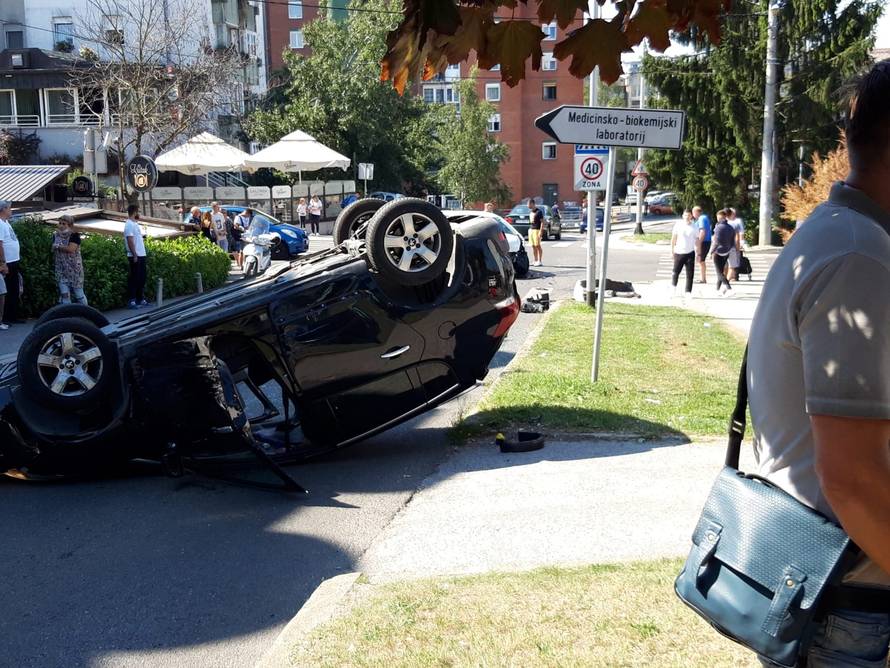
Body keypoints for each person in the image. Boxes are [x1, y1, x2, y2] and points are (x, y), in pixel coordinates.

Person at [747, 60, 890, 668]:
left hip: (827, 586)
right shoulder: (859, 259)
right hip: (849, 603)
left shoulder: (835, 236)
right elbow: (852, 478)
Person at [52, 215, 87, 305]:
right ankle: (68, 315)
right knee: (65, 295)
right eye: (60, 223)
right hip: (61, 269)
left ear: (70, 225)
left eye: (64, 224)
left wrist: (58, 246)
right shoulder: (55, 235)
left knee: (79, 295)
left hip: (74, 270)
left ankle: (86, 313)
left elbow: (71, 249)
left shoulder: (74, 236)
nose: (61, 226)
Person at [0, 200, 22, 326]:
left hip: (13, 260)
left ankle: (13, 315)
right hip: (7, 262)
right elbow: (0, 244)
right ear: (3, 209)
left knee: (14, 289)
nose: (11, 210)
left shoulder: (6, 222)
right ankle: (7, 316)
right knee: (7, 290)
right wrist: (3, 263)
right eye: (9, 208)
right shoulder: (0, 224)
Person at [124, 203, 148, 309]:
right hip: (136, 255)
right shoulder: (129, 224)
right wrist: (134, 254)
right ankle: (132, 300)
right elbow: (130, 240)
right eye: (138, 211)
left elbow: (135, 239)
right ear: (134, 212)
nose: (139, 214)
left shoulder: (135, 224)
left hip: (141, 254)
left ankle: (140, 299)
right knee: (134, 277)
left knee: (141, 277)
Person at [670, 209, 697, 298]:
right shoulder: (678, 225)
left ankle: (688, 292)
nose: (687, 217)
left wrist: (699, 251)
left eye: (689, 215)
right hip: (679, 252)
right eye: (685, 215)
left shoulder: (694, 226)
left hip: (690, 252)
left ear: (691, 216)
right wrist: (672, 251)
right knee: (676, 272)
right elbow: (673, 239)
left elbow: (697, 240)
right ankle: (673, 288)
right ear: (683, 216)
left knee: (690, 274)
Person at [709, 210, 735, 296]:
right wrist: (728, 248)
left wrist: (711, 252)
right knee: (720, 271)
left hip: (718, 252)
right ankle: (717, 290)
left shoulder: (718, 227)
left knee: (719, 272)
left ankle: (729, 288)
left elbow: (716, 242)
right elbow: (732, 242)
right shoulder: (731, 228)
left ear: (720, 218)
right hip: (726, 252)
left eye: (718, 218)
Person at [692, 205, 712, 284]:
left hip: (704, 242)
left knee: (701, 260)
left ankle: (703, 279)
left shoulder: (701, 218)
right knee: (700, 260)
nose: (693, 214)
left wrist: (699, 243)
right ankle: (702, 278)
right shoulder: (702, 218)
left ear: (696, 212)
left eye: (693, 212)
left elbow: (702, 231)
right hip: (704, 241)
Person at [726, 207, 745, 280]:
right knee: (730, 261)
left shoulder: (738, 221)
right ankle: (730, 275)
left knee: (736, 260)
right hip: (729, 244)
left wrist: (741, 243)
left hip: (736, 243)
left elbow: (741, 232)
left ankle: (735, 276)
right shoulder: (726, 221)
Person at [528, 198, 544, 267]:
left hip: (537, 230)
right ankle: (535, 260)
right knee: (533, 246)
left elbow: (542, 222)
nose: (528, 206)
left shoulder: (539, 212)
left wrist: (541, 231)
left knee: (538, 245)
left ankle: (539, 261)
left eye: (528, 204)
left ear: (532, 204)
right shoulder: (531, 212)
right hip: (531, 229)